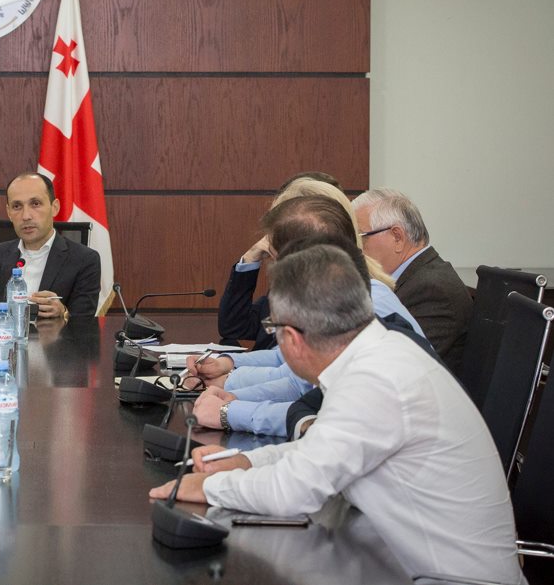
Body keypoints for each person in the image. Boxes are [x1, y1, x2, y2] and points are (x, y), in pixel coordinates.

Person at [149, 244, 524, 584]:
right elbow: (322, 448)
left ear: (292, 338)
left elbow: (294, 492)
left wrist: (207, 488)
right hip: (407, 564)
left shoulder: (375, 380)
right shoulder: (377, 354)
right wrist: (246, 462)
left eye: (273, 330)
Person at [186, 193, 425, 436]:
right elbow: (300, 383)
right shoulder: (335, 298)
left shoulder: (365, 307)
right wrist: (231, 395)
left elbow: (328, 421)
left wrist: (230, 410)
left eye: (274, 259)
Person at [352, 188, 472, 372]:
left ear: (397, 237)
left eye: (361, 238)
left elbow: (397, 367)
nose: (357, 248)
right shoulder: (416, 278)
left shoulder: (432, 291)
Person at [217, 172, 342, 348]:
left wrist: (233, 363)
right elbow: (238, 327)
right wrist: (250, 258)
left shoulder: (337, 286)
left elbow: (285, 357)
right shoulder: (291, 282)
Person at [0, 173, 100, 319]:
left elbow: (85, 320)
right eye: (17, 206)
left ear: (54, 207)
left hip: (54, 334)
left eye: (35, 204)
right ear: (9, 213)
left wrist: (63, 313)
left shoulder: (84, 259)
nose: (26, 216)